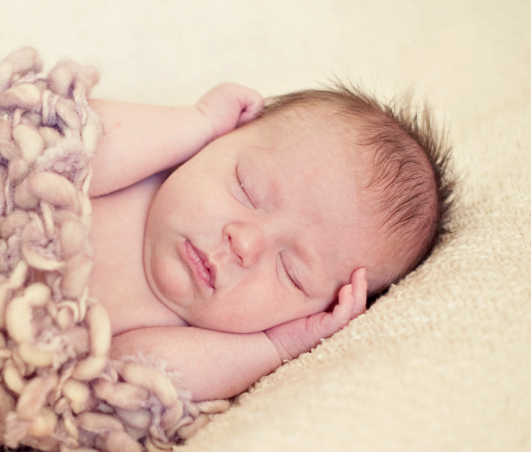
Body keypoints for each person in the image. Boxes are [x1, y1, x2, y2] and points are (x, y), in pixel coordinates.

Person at [87, 83, 452, 401]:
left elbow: (127, 380)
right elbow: (71, 143)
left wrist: (274, 346)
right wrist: (198, 122)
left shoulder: (192, 338)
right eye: (247, 188)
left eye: (291, 272)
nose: (245, 244)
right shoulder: (146, 162)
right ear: (222, 138)